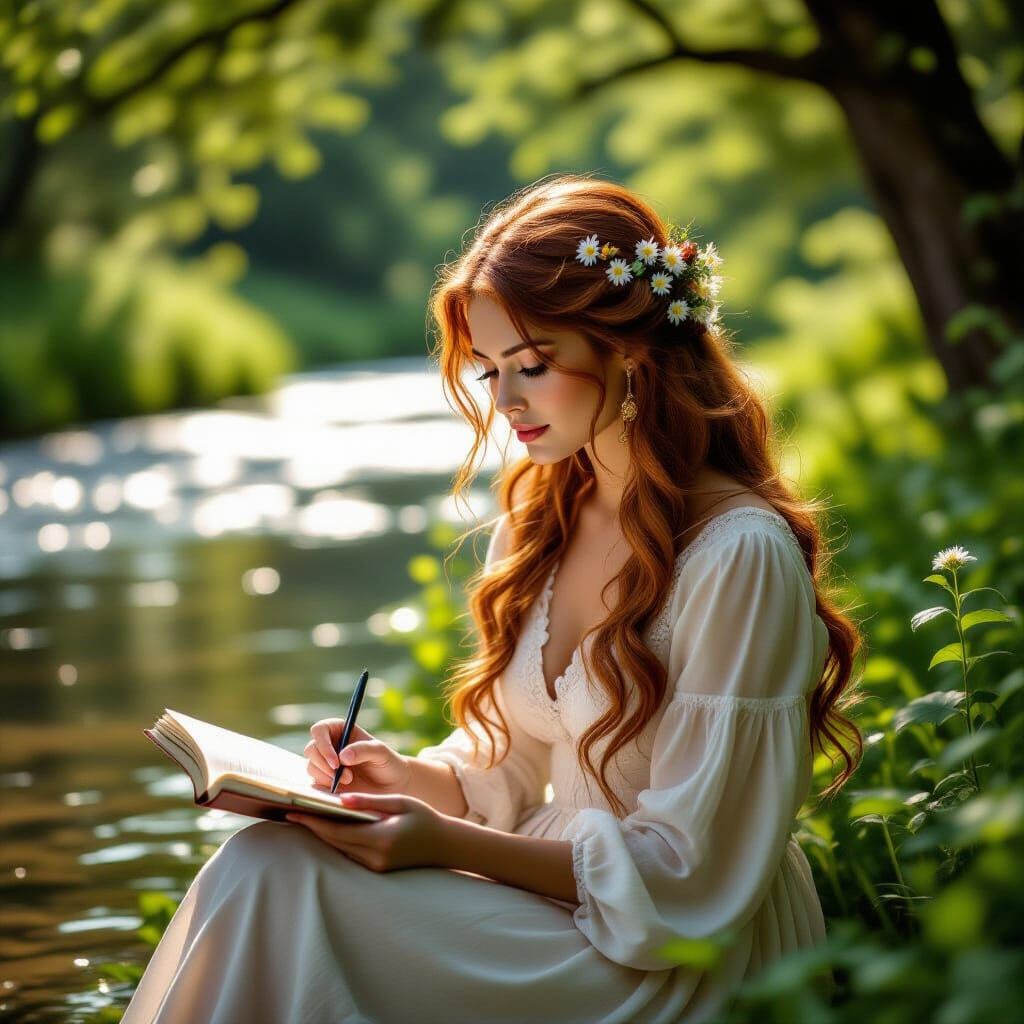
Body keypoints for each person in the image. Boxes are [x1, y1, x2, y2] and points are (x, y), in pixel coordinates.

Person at [121, 173, 863, 1023]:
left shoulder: (737, 555)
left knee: (275, 885)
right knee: (263, 862)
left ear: (631, 351)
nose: (506, 403)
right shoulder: (544, 508)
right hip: (558, 896)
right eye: (489, 372)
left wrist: (445, 844)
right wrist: (400, 775)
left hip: (677, 950)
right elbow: (505, 762)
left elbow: (687, 871)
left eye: (533, 367)